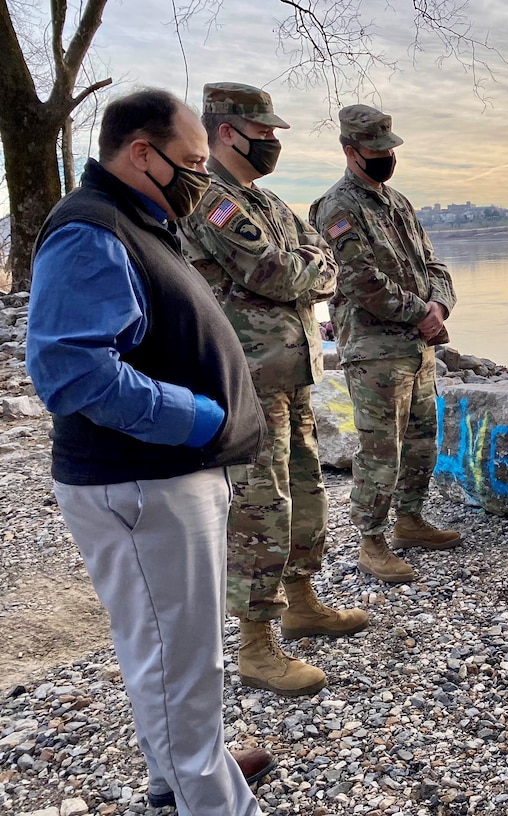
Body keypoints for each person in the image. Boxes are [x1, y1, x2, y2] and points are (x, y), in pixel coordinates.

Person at [25, 88, 275, 815]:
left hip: (160, 479)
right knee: (180, 658)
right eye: (193, 162)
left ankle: (181, 770)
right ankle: (213, 800)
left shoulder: (136, 221)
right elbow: (73, 370)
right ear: (143, 152)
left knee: (169, 644)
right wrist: (197, 418)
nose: (204, 176)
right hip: (143, 481)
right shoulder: (90, 229)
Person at [178, 82, 368, 698]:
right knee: (261, 509)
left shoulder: (267, 204)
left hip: (291, 376)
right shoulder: (211, 202)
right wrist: (311, 267)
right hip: (248, 381)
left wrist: (311, 266)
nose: (273, 144)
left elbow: (318, 254)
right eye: (265, 134)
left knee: (306, 494)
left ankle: (303, 601)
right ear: (228, 132)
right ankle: (256, 646)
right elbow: (280, 271)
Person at [309, 104, 460, 584]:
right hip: (376, 351)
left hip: (419, 346)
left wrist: (440, 307)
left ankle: (410, 519)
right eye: (376, 150)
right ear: (351, 151)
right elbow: (358, 281)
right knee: (380, 449)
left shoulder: (397, 203)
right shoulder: (336, 208)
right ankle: (371, 542)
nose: (386, 158)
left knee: (420, 442)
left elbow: (434, 265)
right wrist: (422, 315)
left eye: (389, 149)